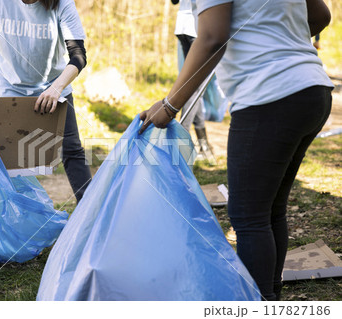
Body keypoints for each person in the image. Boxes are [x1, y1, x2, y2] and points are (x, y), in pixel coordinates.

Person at [140, 0, 333, 300]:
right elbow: (321, 15)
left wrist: (169, 105)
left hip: (269, 96)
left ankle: (257, 303)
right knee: (269, 209)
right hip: (313, 89)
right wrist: (280, 41)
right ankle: (270, 299)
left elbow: (211, 37)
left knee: (248, 216)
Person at [0, 0, 91, 202]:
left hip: (53, 86)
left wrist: (56, 88)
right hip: (8, 84)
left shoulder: (62, 4)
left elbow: (78, 55)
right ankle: (5, 215)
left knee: (71, 150)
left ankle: (90, 214)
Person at [171, 0, 214, 156]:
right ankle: (180, 140)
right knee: (196, 89)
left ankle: (204, 146)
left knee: (196, 88)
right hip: (198, 29)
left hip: (182, 26)